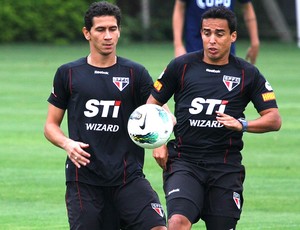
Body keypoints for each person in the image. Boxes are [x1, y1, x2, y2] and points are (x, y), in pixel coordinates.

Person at [147, 6, 281, 230]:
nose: (211, 40)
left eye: (219, 34)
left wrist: (243, 124)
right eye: (206, 33)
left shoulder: (247, 73)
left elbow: (274, 119)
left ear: (233, 36)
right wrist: (158, 142)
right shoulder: (181, 66)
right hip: (184, 161)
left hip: (225, 165)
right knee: (178, 222)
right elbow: (152, 104)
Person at [44, 1, 167, 229]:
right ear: (87, 33)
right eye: (100, 30)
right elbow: (50, 125)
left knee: (157, 226)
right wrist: (67, 143)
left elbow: (162, 114)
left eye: (113, 29)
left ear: (119, 31)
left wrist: (159, 140)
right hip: (84, 179)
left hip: (128, 176)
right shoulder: (68, 73)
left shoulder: (135, 73)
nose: (108, 36)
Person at [172, 0, 260, 64]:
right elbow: (179, 7)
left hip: (224, 46)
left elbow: (247, 8)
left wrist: (255, 42)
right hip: (195, 44)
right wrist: (178, 45)